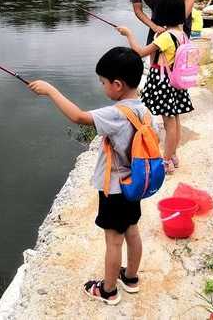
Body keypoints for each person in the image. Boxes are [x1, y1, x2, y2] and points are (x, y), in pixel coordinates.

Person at [29, 47, 154, 305]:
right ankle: (130, 278)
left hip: (115, 189)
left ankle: (108, 290)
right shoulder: (143, 108)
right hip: (136, 184)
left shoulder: (116, 114)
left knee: (113, 241)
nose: (102, 86)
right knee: (132, 230)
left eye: (103, 82)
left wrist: (51, 90)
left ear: (117, 85)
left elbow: (78, 116)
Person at [117, 0, 194, 174]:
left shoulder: (165, 37)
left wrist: (128, 34)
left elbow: (140, 52)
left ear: (162, 14)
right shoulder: (181, 34)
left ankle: (166, 161)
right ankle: (173, 154)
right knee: (175, 120)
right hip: (175, 82)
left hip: (162, 83)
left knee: (169, 123)